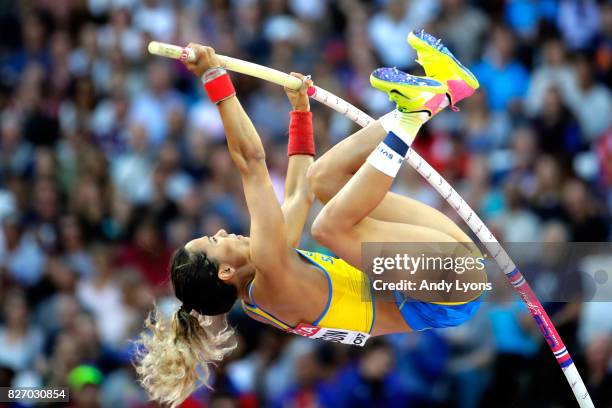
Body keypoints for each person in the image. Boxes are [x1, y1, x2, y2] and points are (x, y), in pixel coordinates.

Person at [135, 30, 487, 407]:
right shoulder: (271, 272)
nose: (221, 231)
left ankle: (441, 93)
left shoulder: (268, 270)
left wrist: (299, 111)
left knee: (322, 180)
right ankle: (414, 113)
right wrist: (213, 78)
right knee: (328, 227)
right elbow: (250, 162)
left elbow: (300, 191)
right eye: (214, 241)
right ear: (225, 272)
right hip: (443, 292)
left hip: (432, 267)